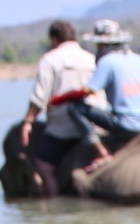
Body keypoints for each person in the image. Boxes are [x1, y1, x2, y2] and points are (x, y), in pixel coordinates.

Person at [18, 21, 95, 198]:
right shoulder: (90, 58)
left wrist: (28, 122)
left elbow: (40, 97)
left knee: (43, 165)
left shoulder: (50, 59)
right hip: (94, 122)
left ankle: (55, 203)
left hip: (64, 127)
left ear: (54, 39)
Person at [72, 20, 140, 172]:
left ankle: (101, 152)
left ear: (103, 46)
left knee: (75, 108)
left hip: (125, 125)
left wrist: (61, 99)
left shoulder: (107, 61)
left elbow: (88, 91)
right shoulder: (139, 60)